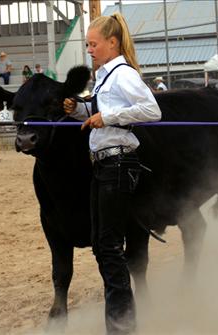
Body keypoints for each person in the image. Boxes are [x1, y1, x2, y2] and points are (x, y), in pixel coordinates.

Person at [63, 12, 161, 335]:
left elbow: (151, 110)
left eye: (93, 44)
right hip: (104, 164)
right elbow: (100, 112)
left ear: (112, 42)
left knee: (108, 246)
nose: (89, 50)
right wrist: (80, 110)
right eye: (87, 44)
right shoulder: (105, 76)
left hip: (118, 164)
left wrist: (109, 117)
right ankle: (120, 320)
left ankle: (122, 325)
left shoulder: (123, 74)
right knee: (101, 244)